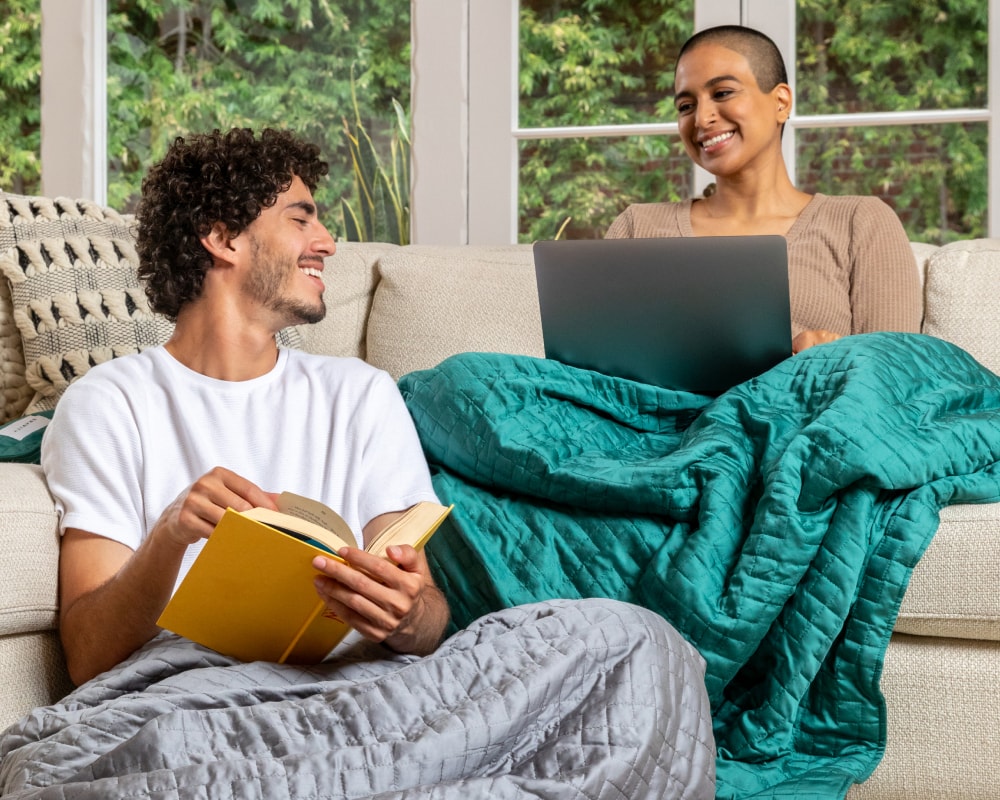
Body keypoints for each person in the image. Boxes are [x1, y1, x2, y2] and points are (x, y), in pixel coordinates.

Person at [22, 127, 716, 799]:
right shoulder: (109, 403)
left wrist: (406, 610)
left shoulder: (360, 392)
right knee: (150, 757)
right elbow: (88, 660)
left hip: (368, 691)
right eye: (302, 220)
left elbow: (427, 617)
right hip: (201, 698)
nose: (326, 242)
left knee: (634, 641)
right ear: (223, 237)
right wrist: (172, 534)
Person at [605, 25, 922, 355]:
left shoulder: (859, 222)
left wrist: (814, 360)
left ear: (781, 102)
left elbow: (891, 377)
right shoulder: (636, 227)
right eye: (686, 106)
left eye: (722, 93)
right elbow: (594, 368)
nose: (701, 118)